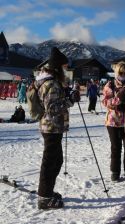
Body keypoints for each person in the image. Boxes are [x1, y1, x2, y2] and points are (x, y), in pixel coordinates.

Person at [33, 47, 80, 209]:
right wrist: (70, 100)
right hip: (51, 127)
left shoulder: (52, 82)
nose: (65, 70)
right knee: (50, 162)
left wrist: (67, 95)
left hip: (54, 127)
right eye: (64, 67)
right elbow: (52, 108)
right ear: (57, 67)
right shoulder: (51, 84)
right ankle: (44, 197)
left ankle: (47, 192)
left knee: (56, 160)